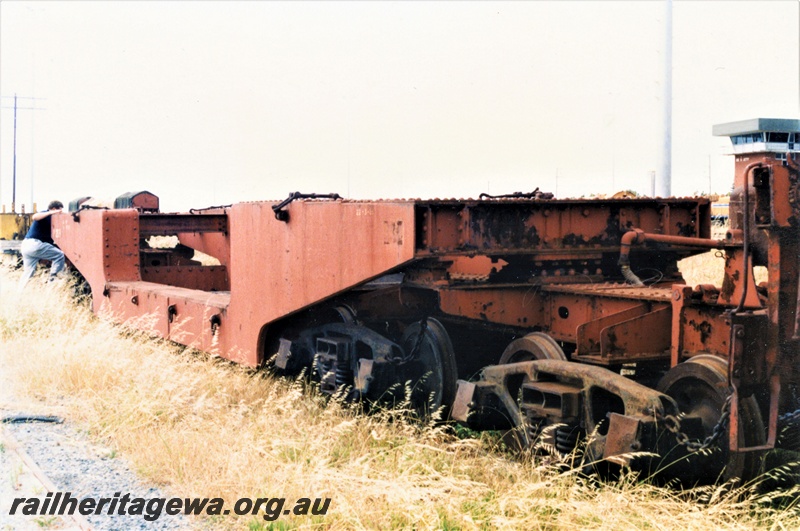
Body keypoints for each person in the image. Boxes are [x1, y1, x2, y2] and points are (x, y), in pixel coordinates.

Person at [18, 200, 66, 289]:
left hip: (26, 245)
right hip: (35, 244)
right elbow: (35, 217)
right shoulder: (46, 214)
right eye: (60, 210)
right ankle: (53, 279)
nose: (60, 213)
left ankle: (20, 292)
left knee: (28, 272)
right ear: (54, 208)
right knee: (59, 255)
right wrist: (52, 212)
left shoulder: (49, 219)